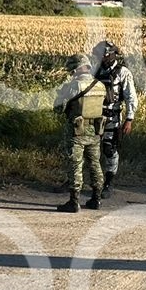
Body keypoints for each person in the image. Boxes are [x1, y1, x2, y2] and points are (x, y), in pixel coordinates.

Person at [53, 53, 107, 212]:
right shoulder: (100, 85)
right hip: (95, 131)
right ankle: (96, 199)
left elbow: (58, 109)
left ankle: (74, 201)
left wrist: (61, 95)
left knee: (75, 164)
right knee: (95, 164)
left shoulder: (74, 86)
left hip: (77, 131)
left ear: (75, 68)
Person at [95, 40, 138, 198]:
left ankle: (109, 182)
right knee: (89, 149)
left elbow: (130, 97)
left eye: (105, 55)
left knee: (109, 149)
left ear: (112, 55)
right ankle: (78, 181)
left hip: (113, 116)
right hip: (94, 115)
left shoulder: (123, 72)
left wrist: (129, 119)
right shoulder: (96, 70)